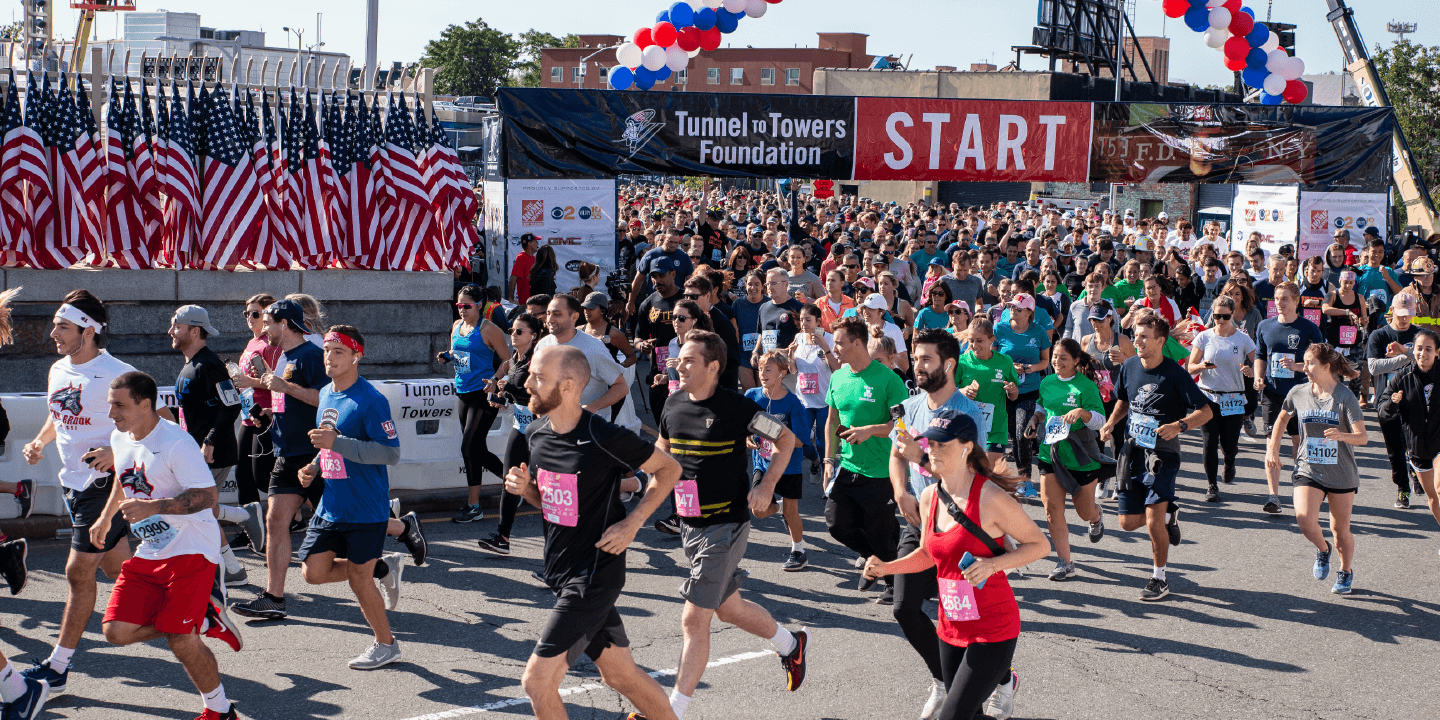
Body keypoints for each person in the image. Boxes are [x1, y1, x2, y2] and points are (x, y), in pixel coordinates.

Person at [505, 345, 683, 720]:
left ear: (568, 386)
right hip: (560, 570)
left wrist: (632, 523)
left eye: (539, 377)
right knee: (620, 675)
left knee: (536, 683)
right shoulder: (536, 433)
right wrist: (527, 491)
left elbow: (668, 470)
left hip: (593, 576)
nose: (527, 384)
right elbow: (552, 505)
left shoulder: (603, 435)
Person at [660, 333, 812, 717]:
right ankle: (790, 644)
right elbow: (661, 454)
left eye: (690, 360)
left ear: (714, 367)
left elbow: (787, 439)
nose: (680, 364)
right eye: (681, 358)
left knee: (695, 617)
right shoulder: (673, 403)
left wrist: (767, 487)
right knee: (728, 608)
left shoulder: (738, 408)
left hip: (725, 525)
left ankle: (671, 710)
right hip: (689, 525)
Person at [864, 408, 1049, 720]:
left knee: (952, 716)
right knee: (969, 714)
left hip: (993, 627)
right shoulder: (928, 497)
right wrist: (886, 568)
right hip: (950, 626)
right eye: (930, 444)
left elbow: (1040, 545)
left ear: (966, 447)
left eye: (942, 445)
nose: (933, 451)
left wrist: (993, 565)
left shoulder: (990, 498)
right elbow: (926, 555)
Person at [91, 371, 242, 720]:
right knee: (115, 632)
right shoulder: (121, 437)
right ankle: (201, 618)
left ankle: (219, 711)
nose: (112, 414)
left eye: (119, 406)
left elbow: (208, 496)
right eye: (111, 405)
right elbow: (124, 477)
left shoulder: (177, 442)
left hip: (193, 549)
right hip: (152, 548)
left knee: (180, 639)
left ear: (145, 404)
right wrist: (105, 517)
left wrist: (154, 506)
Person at [21, 289, 137, 694]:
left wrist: (114, 449)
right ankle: (194, 603)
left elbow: (161, 421)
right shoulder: (58, 369)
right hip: (73, 484)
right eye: (55, 324)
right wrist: (39, 443)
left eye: (62, 326)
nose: (53, 332)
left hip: (104, 487)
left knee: (77, 572)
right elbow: (58, 415)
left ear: (88, 331)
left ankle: (58, 667)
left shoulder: (117, 374)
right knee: (115, 566)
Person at [296, 326, 423, 668]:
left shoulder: (370, 399)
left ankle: (387, 644)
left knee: (358, 579)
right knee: (312, 573)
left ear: (356, 356)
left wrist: (335, 444)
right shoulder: (325, 394)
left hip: (366, 507)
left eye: (338, 352)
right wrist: (313, 468)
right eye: (326, 350)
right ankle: (385, 565)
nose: (330, 357)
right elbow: (328, 443)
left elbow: (390, 453)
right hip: (332, 503)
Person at [886, 329, 987, 718]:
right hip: (919, 519)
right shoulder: (909, 407)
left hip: (959, 525)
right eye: (916, 357)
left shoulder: (968, 414)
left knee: (962, 615)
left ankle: (996, 678)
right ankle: (943, 681)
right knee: (903, 607)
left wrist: (922, 458)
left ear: (948, 365)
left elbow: (972, 476)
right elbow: (898, 453)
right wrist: (900, 491)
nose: (918, 365)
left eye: (927, 359)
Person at [1100, 313, 1212, 601]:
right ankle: (1169, 516)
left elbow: (1206, 410)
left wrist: (1179, 425)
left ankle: (1159, 577)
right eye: (1135, 336)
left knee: (1151, 518)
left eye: (1143, 337)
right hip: (1132, 451)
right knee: (1126, 522)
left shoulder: (1175, 374)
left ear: (1160, 341)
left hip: (1162, 454)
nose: (1136, 341)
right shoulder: (1130, 366)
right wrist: (1112, 422)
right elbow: (1124, 400)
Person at [230, 299, 327, 621]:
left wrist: (284, 386)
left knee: (347, 523)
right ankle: (274, 597)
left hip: (314, 455)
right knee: (275, 521)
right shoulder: (283, 357)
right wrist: (269, 416)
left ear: (283, 324)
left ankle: (394, 540)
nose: (264, 329)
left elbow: (327, 401)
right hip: (287, 454)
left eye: (268, 322)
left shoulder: (312, 356)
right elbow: (289, 402)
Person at [1265, 344, 1367, 594]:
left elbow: (1362, 437)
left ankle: (1345, 571)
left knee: (1340, 530)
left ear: (1326, 366)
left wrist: (1343, 436)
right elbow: (1281, 418)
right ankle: (1323, 549)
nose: (1305, 367)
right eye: (1305, 362)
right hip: (1308, 468)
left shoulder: (1344, 396)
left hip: (1341, 472)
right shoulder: (1299, 392)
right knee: (1304, 520)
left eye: (1310, 363)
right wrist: (1272, 449)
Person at [165, 305, 250, 587]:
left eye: (176, 326)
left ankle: (229, 569)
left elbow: (232, 405)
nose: (170, 332)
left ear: (194, 330)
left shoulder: (208, 364)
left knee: (196, 511)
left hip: (213, 453)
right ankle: (238, 525)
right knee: (199, 511)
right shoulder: (191, 364)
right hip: (195, 452)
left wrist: (210, 441)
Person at [824, 316, 908, 597]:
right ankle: (877, 561)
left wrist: (870, 430)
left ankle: (892, 581)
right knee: (837, 524)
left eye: (839, 343)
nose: (834, 348)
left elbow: (900, 425)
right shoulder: (837, 377)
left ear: (856, 343)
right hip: (847, 466)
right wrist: (827, 459)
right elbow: (831, 420)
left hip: (882, 469)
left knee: (880, 532)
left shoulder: (888, 379)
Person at [1035, 338, 1108, 581]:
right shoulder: (1047, 381)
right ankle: (1065, 562)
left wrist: (1083, 413)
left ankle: (1096, 517)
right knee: (1052, 511)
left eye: (1063, 358)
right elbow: (1043, 406)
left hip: (1081, 457)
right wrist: (1035, 418)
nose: (1056, 361)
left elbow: (1099, 421)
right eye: (1055, 356)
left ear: (1077, 361)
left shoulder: (1085, 387)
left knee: (1084, 511)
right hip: (1051, 454)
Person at [1253, 283, 1324, 516]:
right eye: (1276, 298)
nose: (1279, 303)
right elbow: (1261, 356)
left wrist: (1297, 366)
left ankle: (1301, 489)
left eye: (1285, 299)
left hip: (1302, 394)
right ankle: (1273, 496)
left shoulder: (1309, 329)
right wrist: (1258, 377)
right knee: (1271, 444)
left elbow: (1321, 363)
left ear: (1296, 301)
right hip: (1273, 394)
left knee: (1298, 445)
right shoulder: (1265, 326)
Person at [440, 285, 509, 524]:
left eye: (466, 306)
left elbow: (508, 360)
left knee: (469, 448)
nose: (461, 310)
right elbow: (455, 350)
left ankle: (474, 506)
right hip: (463, 393)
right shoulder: (456, 327)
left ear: (479, 305)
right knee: (476, 450)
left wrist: (496, 381)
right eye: (458, 305)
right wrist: (447, 356)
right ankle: (515, 485)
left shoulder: (490, 330)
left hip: (484, 394)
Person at [480, 313, 543, 556]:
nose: (512, 335)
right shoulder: (514, 360)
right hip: (520, 427)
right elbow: (515, 395)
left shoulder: (537, 360)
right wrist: (501, 396)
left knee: (548, 487)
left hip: (540, 431)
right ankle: (502, 537)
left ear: (533, 335)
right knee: (510, 480)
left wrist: (512, 390)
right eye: (511, 330)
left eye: (519, 331)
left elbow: (537, 396)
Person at [745, 351, 813, 571]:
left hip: (789, 465)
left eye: (769, 370)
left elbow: (802, 441)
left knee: (792, 513)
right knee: (758, 509)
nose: (762, 374)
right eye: (761, 369)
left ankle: (798, 551)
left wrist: (774, 434)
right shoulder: (751, 396)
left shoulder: (793, 403)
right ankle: (781, 507)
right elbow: (740, 425)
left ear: (782, 374)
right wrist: (747, 438)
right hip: (762, 463)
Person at [1186, 296, 1257, 503]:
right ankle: (1212, 485)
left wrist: (1251, 371)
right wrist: (1202, 366)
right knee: (1209, 442)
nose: (1221, 319)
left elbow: (1259, 362)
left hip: (1233, 398)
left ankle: (1230, 460)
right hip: (1208, 395)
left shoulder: (1242, 339)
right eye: (1217, 315)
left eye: (1225, 316)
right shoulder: (1204, 337)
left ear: (1232, 314)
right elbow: (1190, 367)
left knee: (1229, 443)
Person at [229, 293, 283, 554]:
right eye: (247, 313)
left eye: (255, 313)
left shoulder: (271, 344)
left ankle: (293, 516)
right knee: (243, 477)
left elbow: (277, 381)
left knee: (265, 478)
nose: (249, 318)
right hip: (248, 414)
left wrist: (250, 383)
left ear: (268, 315)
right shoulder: (252, 342)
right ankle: (250, 532)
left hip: (266, 415)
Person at [1378, 329, 1440, 536]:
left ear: (1437, 352)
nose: (1423, 353)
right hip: (1417, 447)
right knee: (1433, 497)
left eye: (1428, 349)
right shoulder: (1402, 377)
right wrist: (1392, 403)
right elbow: (1382, 408)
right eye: (1419, 349)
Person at [1369, 294, 1424, 508]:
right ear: (1391, 311)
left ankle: (1418, 472)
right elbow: (1374, 367)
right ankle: (1403, 489)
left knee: (1416, 444)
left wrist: (1405, 351)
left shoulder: (1421, 334)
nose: (1404, 319)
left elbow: (1428, 359)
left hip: (1416, 399)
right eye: (1400, 315)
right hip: (1387, 399)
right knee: (1395, 450)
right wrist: (1405, 357)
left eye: (1409, 315)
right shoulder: (1379, 335)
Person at [995, 294, 1052, 495]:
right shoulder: (999, 329)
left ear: (1029, 312)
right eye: (1011, 307)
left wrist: (1030, 368)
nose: (1013, 310)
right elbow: (992, 357)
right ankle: (1018, 478)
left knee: (1022, 433)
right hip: (1003, 391)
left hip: (1029, 391)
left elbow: (1046, 360)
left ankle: (1026, 480)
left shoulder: (1039, 332)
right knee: (1013, 435)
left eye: (1018, 308)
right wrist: (1010, 366)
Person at [956, 317, 1021, 465]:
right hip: (968, 428)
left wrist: (1012, 389)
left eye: (979, 340)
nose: (974, 345)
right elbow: (949, 393)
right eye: (971, 340)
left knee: (989, 475)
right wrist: (963, 391)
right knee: (970, 475)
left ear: (991, 339)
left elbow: (1014, 396)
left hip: (996, 429)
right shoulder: (962, 362)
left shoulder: (1005, 361)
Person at [509, 233, 539, 303]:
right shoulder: (521, 257)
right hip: (525, 302)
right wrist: (511, 298)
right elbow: (513, 277)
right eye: (536, 242)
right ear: (529, 244)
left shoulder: (533, 258)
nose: (537, 244)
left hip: (534, 300)